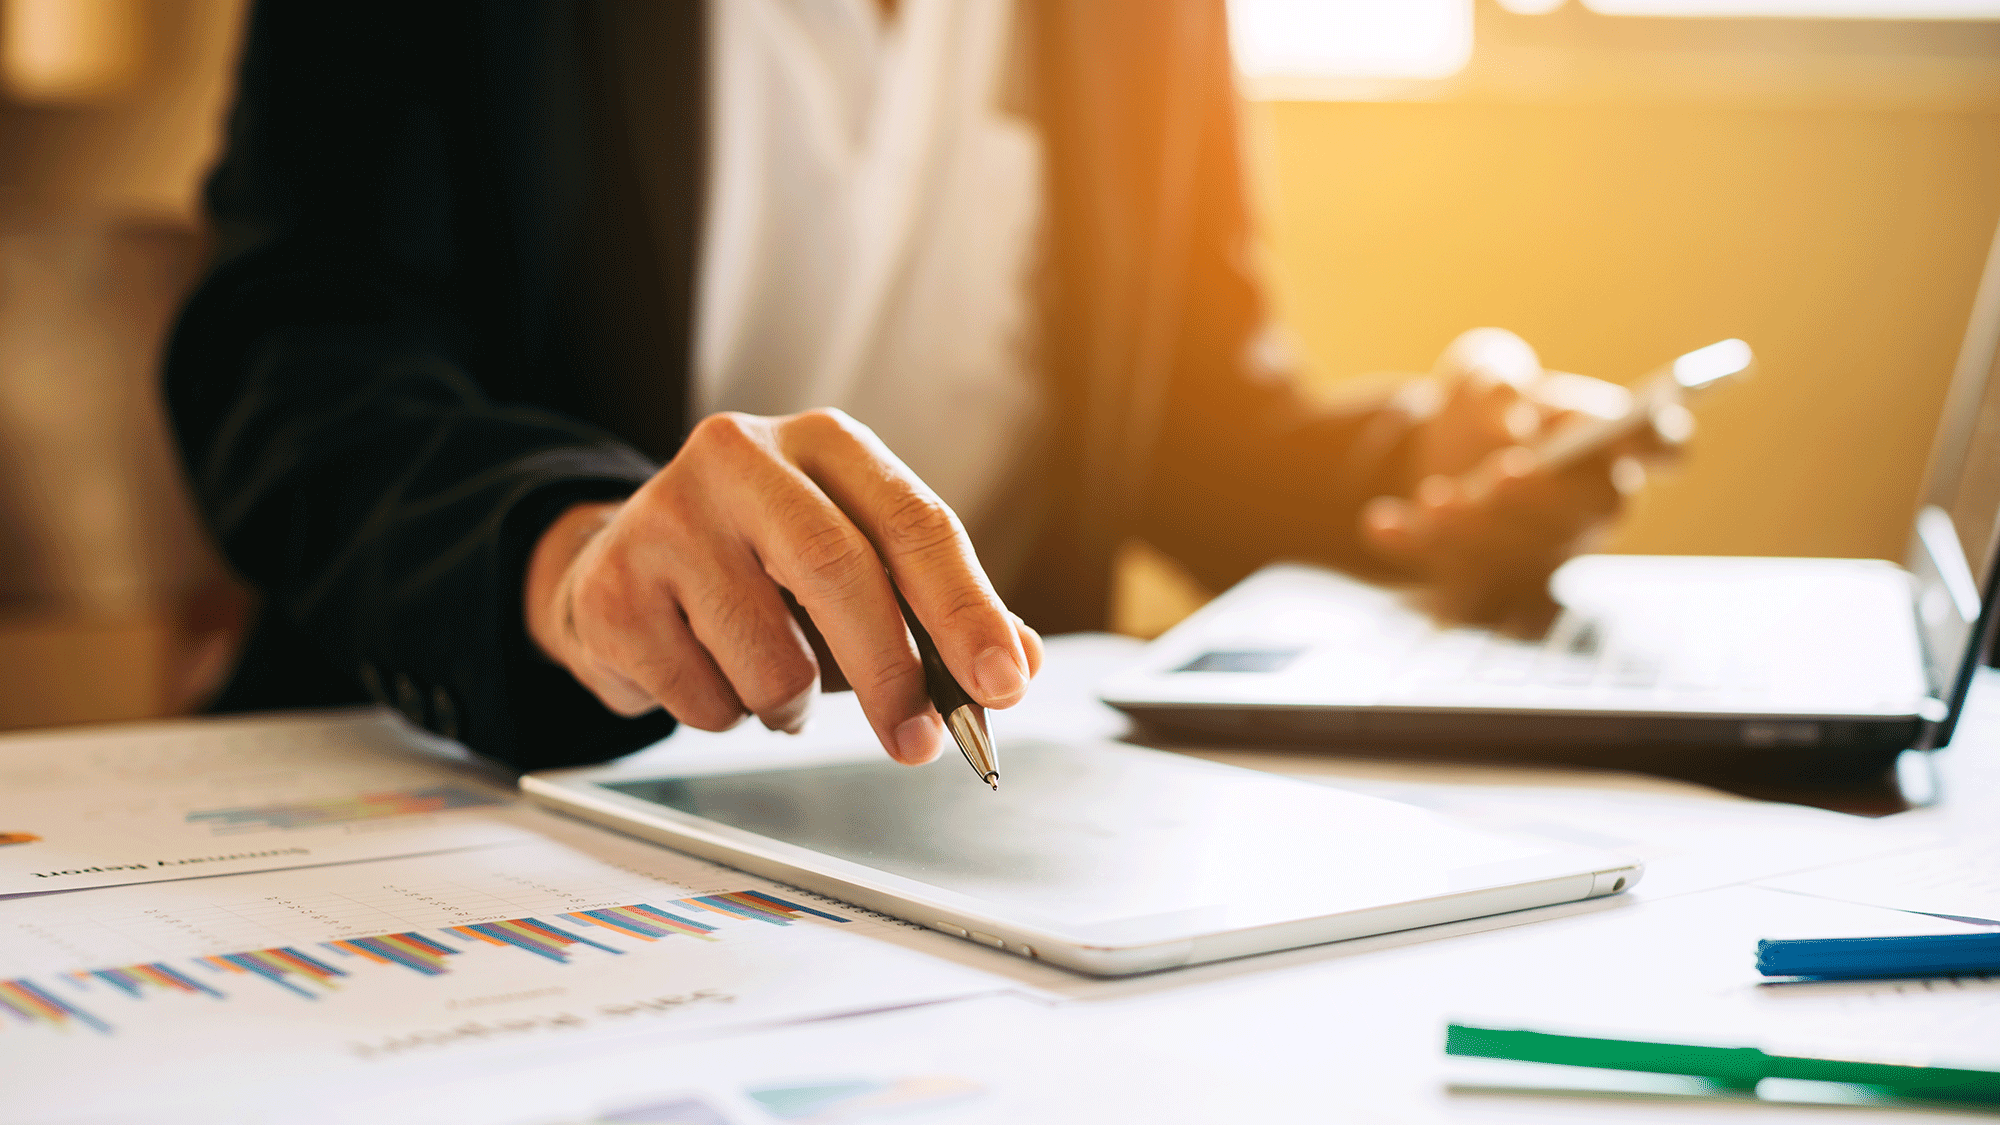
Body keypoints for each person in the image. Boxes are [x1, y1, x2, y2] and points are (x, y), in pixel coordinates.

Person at [165, 0, 1668, 772]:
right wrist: (574, 553)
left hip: (976, 809)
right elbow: (288, 353)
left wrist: (1421, 471)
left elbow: (1188, 412)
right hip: (492, 803)